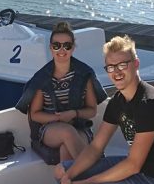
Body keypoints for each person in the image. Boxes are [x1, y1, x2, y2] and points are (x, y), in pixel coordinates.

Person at [56, 35, 154, 184]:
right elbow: (96, 147)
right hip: (135, 168)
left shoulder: (150, 104)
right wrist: (68, 177)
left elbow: (133, 165)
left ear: (136, 64)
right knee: (62, 171)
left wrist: (84, 183)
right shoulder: (118, 101)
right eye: (111, 67)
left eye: (122, 65)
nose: (116, 72)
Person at [15, 21, 107, 163]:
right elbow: (35, 115)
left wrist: (74, 114)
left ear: (73, 48)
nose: (61, 50)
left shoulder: (85, 74)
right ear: (51, 48)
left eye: (67, 46)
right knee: (67, 132)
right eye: (56, 46)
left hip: (79, 127)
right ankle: (95, 175)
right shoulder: (42, 77)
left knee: (66, 149)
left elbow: (92, 110)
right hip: (50, 129)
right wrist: (58, 118)